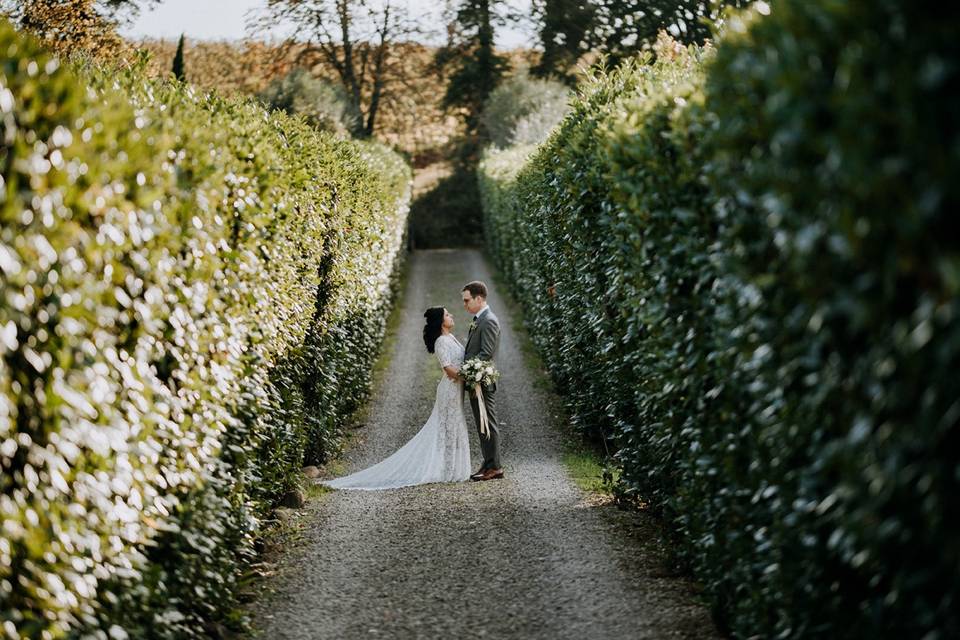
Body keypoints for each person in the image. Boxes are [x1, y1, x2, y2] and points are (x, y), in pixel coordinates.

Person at [320, 307, 471, 490]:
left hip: (457, 389)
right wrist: (469, 376)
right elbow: (448, 369)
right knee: (448, 427)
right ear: (440, 321)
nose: (451, 316)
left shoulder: (450, 337)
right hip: (449, 390)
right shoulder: (440, 342)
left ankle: (452, 468)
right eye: (448, 314)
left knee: (454, 425)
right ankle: (447, 470)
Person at [460, 281, 504, 481]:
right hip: (476, 382)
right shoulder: (480, 319)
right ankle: (488, 464)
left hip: (482, 382)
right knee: (481, 424)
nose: (465, 304)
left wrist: (470, 371)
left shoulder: (489, 320)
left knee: (488, 424)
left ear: (479, 298)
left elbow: (486, 354)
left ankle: (494, 467)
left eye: (467, 300)